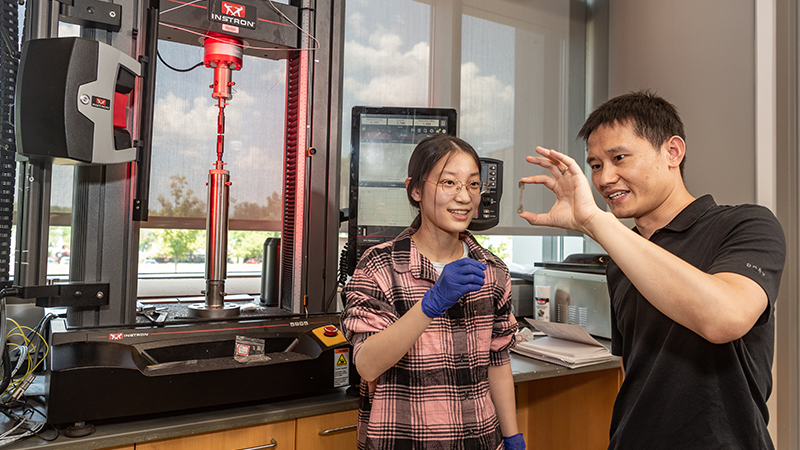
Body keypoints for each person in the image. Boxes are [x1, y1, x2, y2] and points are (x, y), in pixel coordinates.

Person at [519, 91, 785, 449]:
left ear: (672, 152)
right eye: (596, 165)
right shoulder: (621, 257)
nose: (604, 178)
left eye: (619, 158)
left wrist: (595, 223)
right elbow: (637, 368)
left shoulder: (745, 224)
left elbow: (725, 318)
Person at [341, 134, 525, 450]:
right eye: (448, 183)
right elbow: (367, 364)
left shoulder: (492, 270)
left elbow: (498, 361)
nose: (464, 197)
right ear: (414, 189)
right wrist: (431, 303)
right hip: (405, 440)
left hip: (480, 439)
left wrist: (512, 437)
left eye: (473, 185)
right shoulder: (379, 266)